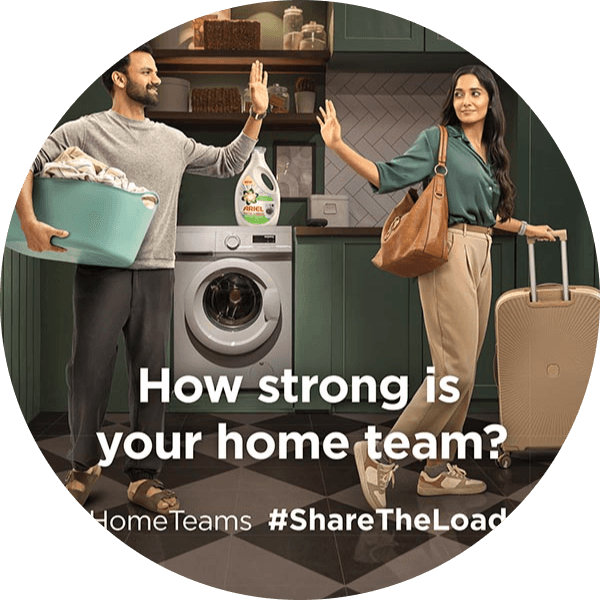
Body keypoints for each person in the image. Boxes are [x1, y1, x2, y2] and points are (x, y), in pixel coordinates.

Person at [15, 44, 270, 515]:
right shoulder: (84, 130)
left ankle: (143, 478)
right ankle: (83, 466)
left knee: (151, 377)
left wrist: (255, 114)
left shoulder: (172, 140)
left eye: (156, 71)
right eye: (147, 71)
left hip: (157, 271)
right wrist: (29, 221)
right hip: (101, 269)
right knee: (87, 372)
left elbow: (227, 162)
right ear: (118, 77)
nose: (156, 78)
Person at [318, 65, 557, 511]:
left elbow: (486, 215)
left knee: (463, 378)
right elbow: (386, 175)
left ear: (490, 101)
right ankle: (379, 457)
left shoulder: (490, 153)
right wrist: (338, 146)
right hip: (448, 253)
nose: (466, 100)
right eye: (459, 93)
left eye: (476, 93)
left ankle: (436, 470)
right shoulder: (438, 139)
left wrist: (526, 229)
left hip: (482, 254)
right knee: (455, 373)